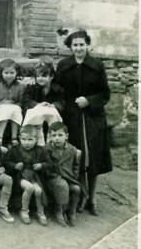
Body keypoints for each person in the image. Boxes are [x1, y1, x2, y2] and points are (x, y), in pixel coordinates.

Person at [55, 28, 112, 216]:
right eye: (75, 45)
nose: (79, 48)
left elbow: (105, 93)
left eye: (82, 44)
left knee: (93, 158)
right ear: (70, 47)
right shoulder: (64, 65)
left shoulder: (97, 65)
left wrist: (89, 101)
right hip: (71, 116)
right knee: (76, 157)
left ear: (87, 45)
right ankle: (80, 195)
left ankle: (92, 198)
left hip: (93, 116)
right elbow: (57, 88)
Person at [4, 124, 49, 226]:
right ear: (19, 138)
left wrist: (41, 165)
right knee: (29, 188)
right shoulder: (14, 150)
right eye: (23, 139)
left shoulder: (40, 150)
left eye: (30, 139)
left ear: (36, 140)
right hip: (20, 176)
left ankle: (40, 212)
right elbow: (5, 162)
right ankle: (24, 211)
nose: (26, 142)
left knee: (38, 190)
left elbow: (50, 164)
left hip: (34, 177)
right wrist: (15, 166)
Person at [44, 121, 84, 227]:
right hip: (53, 177)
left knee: (76, 189)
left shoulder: (72, 149)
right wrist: (53, 175)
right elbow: (46, 166)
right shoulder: (47, 149)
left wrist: (74, 175)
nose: (57, 138)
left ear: (66, 136)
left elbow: (76, 166)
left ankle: (71, 211)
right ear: (50, 137)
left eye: (60, 135)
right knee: (62, 185)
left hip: (68, 177)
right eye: (54, 135)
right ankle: (59, 210)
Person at [22, 59, 64, 145]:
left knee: (53, 114)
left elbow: (62, 101)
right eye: (38, 76)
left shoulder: (58, 89)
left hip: (50, 116)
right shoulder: (32, 88)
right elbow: (26, 100)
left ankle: (53, 140)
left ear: (51, 77)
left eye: (44, 76)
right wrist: (37, 104)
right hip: (37, 116)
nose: (40, 78)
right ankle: (35, 141)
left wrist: (54, 105)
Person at [0, 58, 25, 146]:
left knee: (16, 109)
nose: (9, 75)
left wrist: (13, 104)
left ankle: (14, 137)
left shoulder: (20, 86)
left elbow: (21, 102)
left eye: (12, 73)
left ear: (16, 73)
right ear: (1, 73)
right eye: (6, 73)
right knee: (5, 109)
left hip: (13, 109)